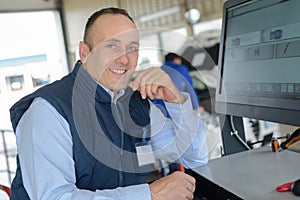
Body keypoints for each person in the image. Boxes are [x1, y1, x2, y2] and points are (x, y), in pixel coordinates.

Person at [9, 7, 207, 200]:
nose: (124, 59)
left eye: (132, 48)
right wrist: (151, 194)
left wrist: (177, 102)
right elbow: (54, 196)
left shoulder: (139, 105)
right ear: (84, 52)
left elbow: (195, 157)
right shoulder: (49, 110)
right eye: (111, 46)